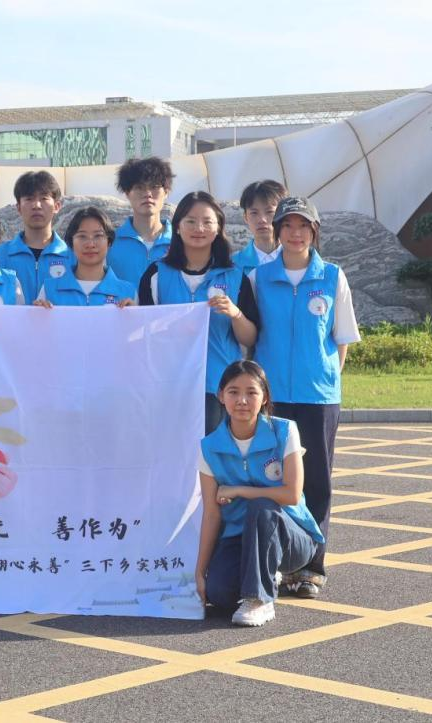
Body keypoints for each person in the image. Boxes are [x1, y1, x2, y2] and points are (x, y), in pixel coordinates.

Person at [251, 197, 360, 599]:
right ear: (277, 231)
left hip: (318, 397)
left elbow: (341, 338)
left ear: (314, 232)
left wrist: (324, 377)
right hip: (273, 397)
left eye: (303, 226)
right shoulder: (258, 278)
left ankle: (312, 566)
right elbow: (250, 336)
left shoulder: (332, 276)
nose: (295, 233)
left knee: (316, 481)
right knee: (272, 476)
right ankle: (279, 562)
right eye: (288, 225)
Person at [196, 361, 323, 627]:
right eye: (233, 392)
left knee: (262, 507)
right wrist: (199, 573)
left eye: (251, 392)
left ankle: (260, 599)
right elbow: (211, 514)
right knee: (219, 594)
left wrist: (239, 490)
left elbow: (291, 495)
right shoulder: (208, 448)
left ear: (264, 397)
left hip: (292, 538)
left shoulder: (284, 431)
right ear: (221, 396)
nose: (242, 400)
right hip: (240, 537)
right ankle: (264, 576)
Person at [139, 191, 259, 433]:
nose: (199, 229)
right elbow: (143, 331)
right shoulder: (156, 274)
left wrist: (235, 314)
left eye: (207, 221)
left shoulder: (235, 276)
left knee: (214, 455)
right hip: (170, 385)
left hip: (219, 387)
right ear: (178, 227)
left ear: (218, 227)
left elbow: (250, 338)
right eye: (191, 221)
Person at [33, 206, 135, 307]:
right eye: (82, 236)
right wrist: (39, 313)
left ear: (109, 242)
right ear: (71, 243)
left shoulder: (128, 292)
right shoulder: (49, 290)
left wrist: (135, 314)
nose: (90, 244)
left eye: (98, 236)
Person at [0, 171, 71, 303]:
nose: (36, 205)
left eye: (44, 198)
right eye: (29, 199)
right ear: (18, 207)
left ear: (57, 206)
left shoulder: (72, 256)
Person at [108, 157, 174, 289]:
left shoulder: (180, 242)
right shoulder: (110, 243)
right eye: (139, 187)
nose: (147, 194)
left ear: (166, 192)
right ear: (127, 193)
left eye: (154, 187)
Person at [233, 180, 288, 274]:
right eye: (254, 213)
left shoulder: (300, 260)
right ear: (245, 217)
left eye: (269, 212)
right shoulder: (233, 265)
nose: (262, 220)